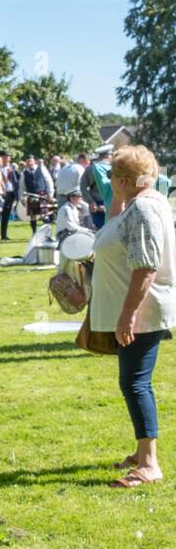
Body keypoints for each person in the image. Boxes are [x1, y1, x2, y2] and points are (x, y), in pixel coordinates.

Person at [89, 145, 176, 489]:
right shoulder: (139, 205)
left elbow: (146, 267)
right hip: (136, 309)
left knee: (136, 383)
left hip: (141, 311)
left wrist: (128, 316)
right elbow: (114, 231)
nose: (109, 183)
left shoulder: (143, 209)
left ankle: (150, 464)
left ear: (123, 180)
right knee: (134, 382)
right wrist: (118, 197)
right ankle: (142, 454)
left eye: (113, 178)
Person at [0, 151, 18, 240]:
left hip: (11, 192)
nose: (8, 158)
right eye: (6, 156)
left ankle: (4, 234)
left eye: (8, 156)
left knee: (6, 214)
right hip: (1, 193)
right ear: (2, 157)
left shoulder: (11, 168)